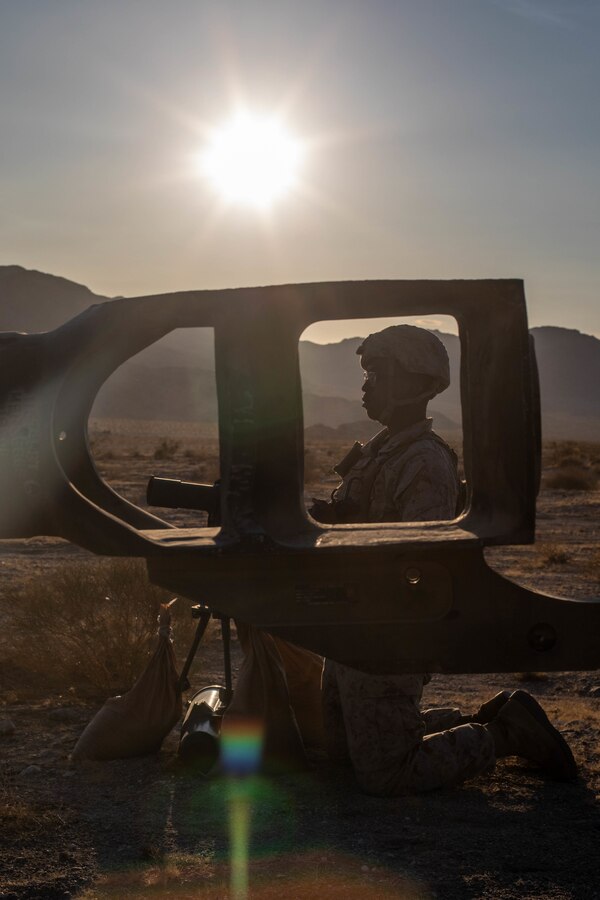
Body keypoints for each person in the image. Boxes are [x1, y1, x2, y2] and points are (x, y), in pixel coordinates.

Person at [311, 324, 577, 795]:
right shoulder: (380, 451)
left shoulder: (424, 461)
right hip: (350, 627)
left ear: (411, 382)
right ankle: (478, 718)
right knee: (339, 755)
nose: (366, 384)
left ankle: (504, 734)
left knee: (388, 774)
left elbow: (425, 561)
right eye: (366, 373)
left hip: (385, 633)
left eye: (377, 373)